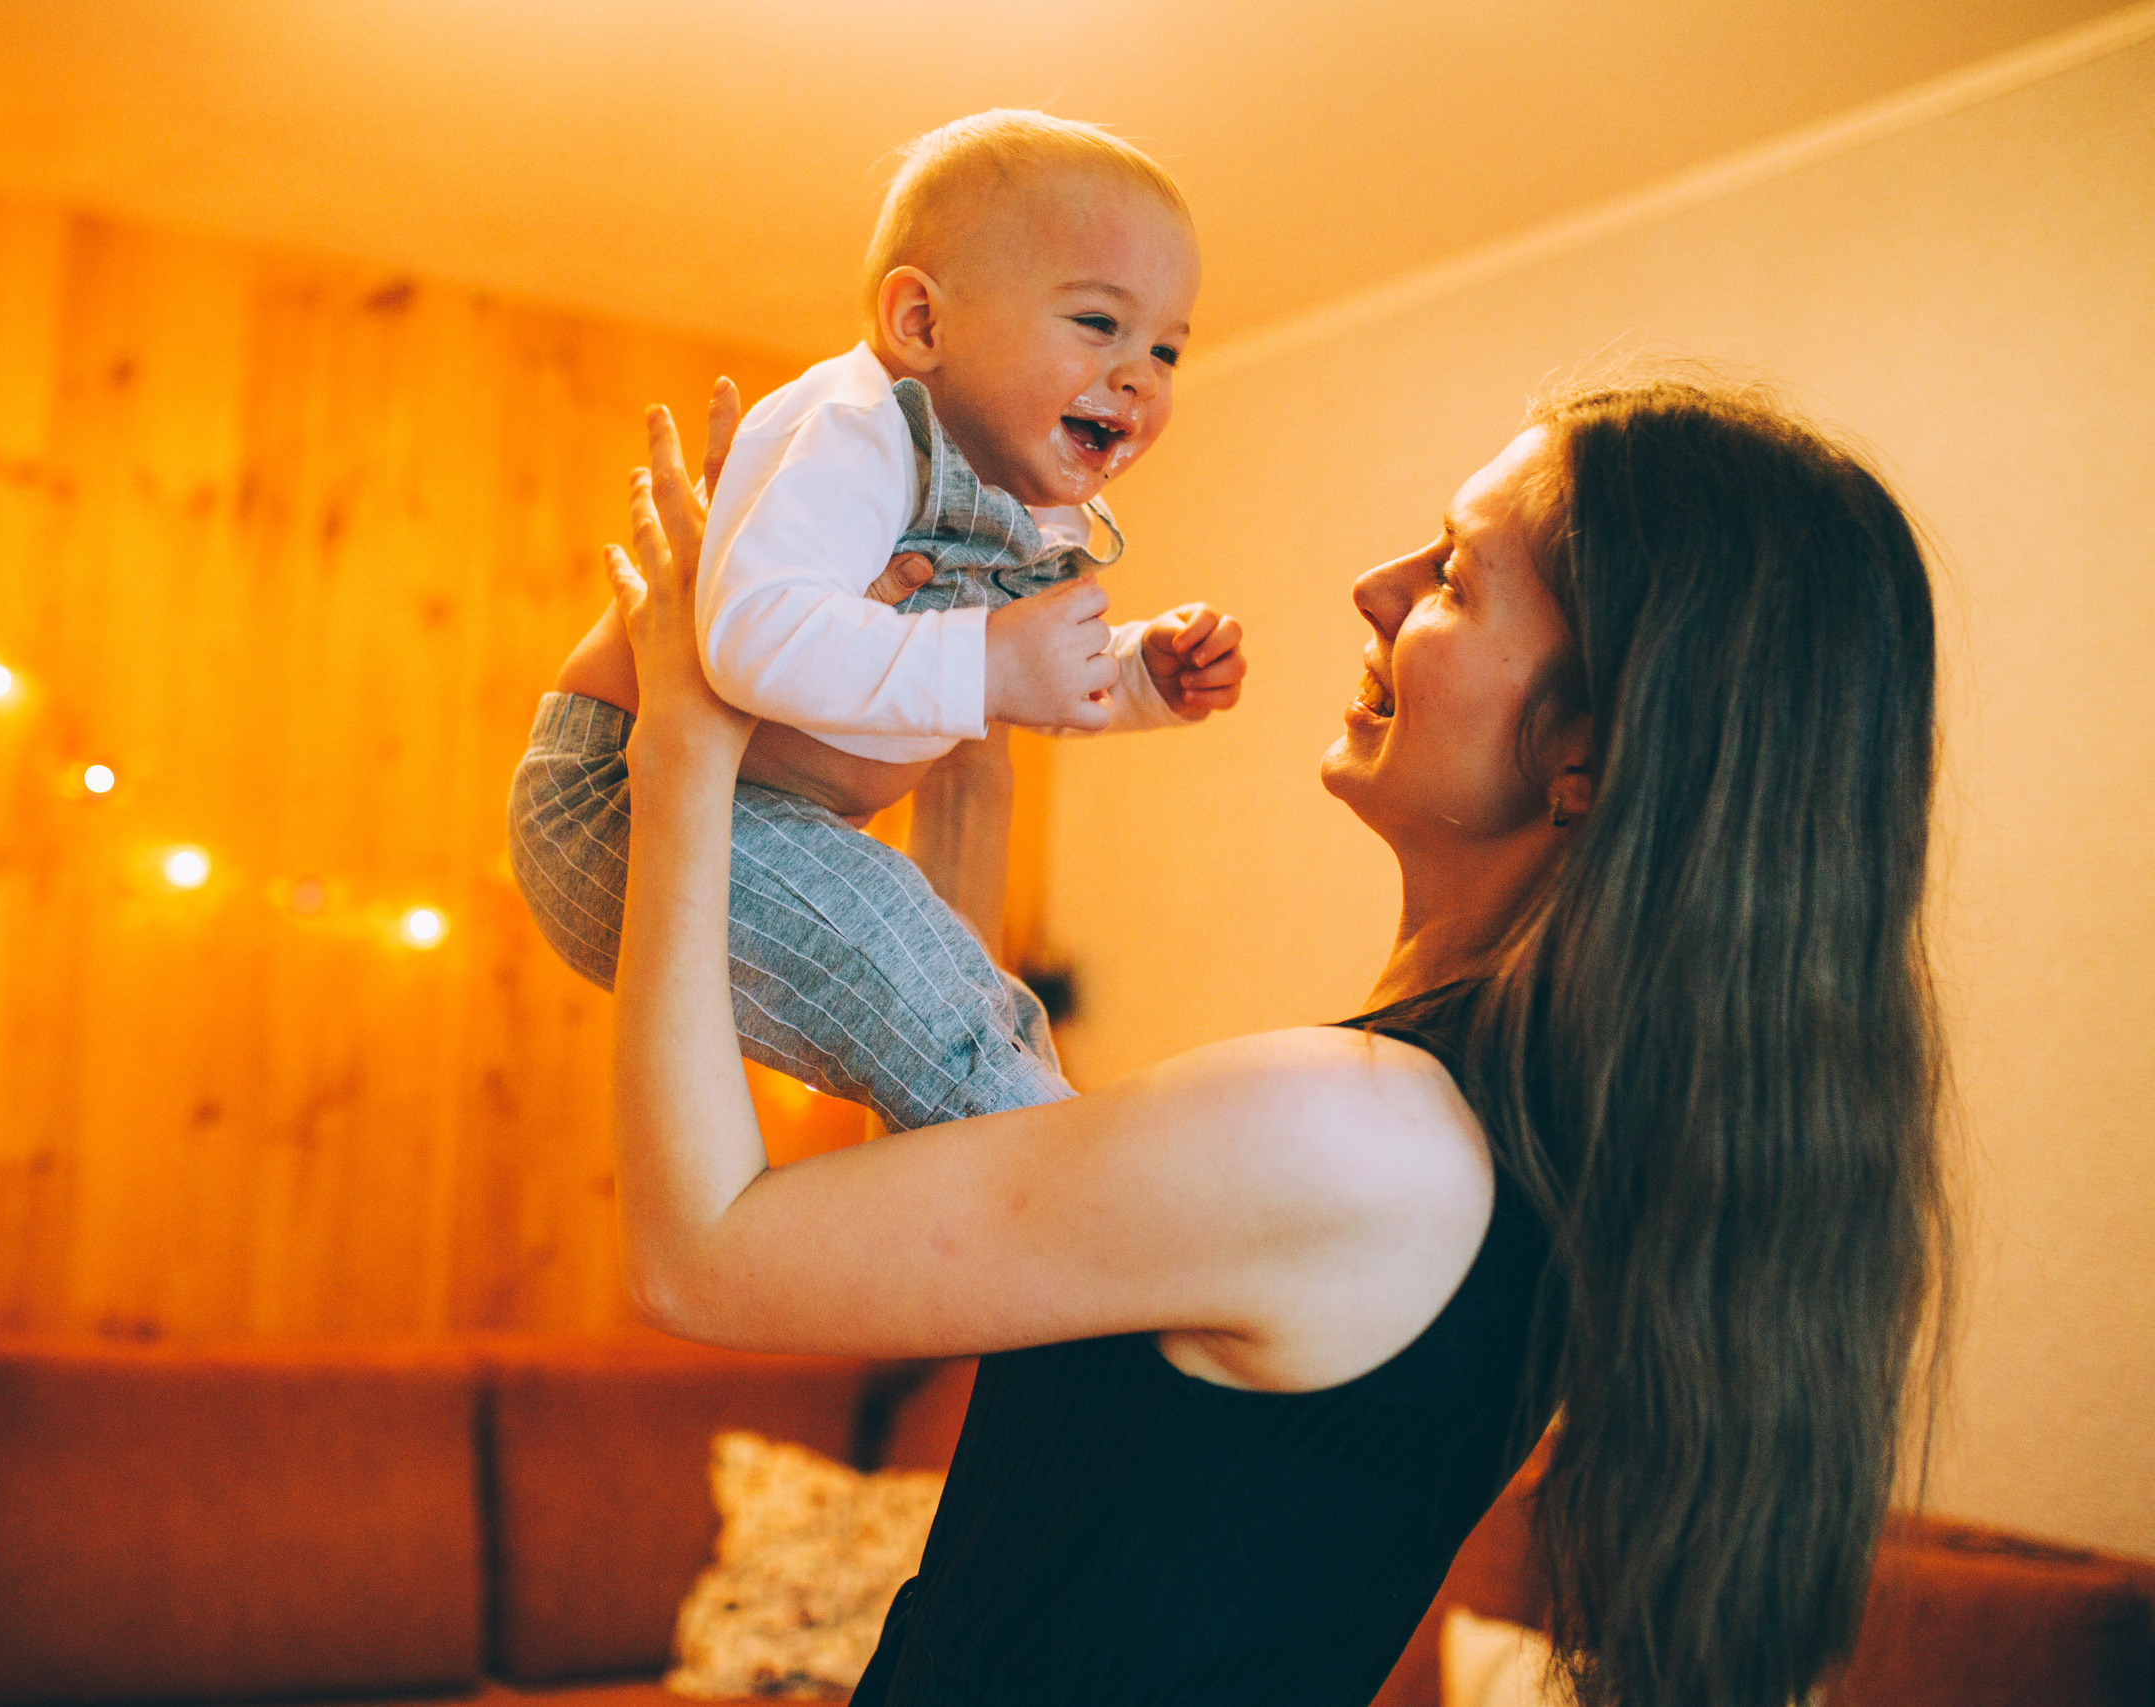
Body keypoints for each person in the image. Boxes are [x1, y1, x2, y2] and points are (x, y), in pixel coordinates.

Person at [596, 377, 1951, 1707]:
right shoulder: (1492, 1132)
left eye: (1455, 581)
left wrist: (684, 750)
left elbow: (700, 1252)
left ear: (1589, 751)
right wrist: (964, 735)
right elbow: (980, 1137)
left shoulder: (1358, 1133)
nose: (1375, 581)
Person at [509, 110, 1248, 1133]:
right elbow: (750, 635)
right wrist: (988, 664)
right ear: (921, 323)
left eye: (1166, 347)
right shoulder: (856, 431)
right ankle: (1061, 1184)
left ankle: (1010, 1182)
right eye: (1097, 324)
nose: (1139, 374)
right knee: (925, 990)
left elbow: (1000, 675)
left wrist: (1131, 675)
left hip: (766, 819)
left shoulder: (1005, 500)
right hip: (620, 798)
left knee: (956, 998)